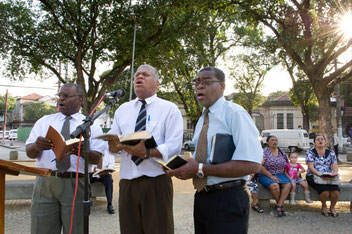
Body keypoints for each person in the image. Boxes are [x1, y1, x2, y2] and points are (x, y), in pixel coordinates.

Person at [167, 67, 263, 234]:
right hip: (203, 196)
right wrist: (184, 168)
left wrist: (199, 169)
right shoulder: (203, 119)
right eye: (197, 82)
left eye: (207, 81)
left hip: (229, 198)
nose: (199, 86)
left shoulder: (235, 113)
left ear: (222, 86)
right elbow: (200, 159)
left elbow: (252, 164)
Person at [107, 64, 183, 234]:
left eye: (145, 75)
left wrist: (147, 152)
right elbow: (113, 140)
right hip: (127, 183)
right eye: (137, 75)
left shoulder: (169, 109)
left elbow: (174, 145)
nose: (139, 77)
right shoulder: (122, 110)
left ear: (157, 84)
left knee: (159, 230)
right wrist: (113, 145)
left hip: (156, 182)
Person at [25, 83, 105, 234]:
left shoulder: (91, 126)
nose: (61, 99)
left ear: (80, 99)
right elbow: (29, 152)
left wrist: (80, 151)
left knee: (76, 230)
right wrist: (37, 146)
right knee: (41, 229)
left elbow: (96, 158)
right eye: (60, 96)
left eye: (66, 96)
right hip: (45, 183)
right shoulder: (44, 121)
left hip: (75, 183)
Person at [306, 134, 340, 217]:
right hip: (314, 175)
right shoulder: (310, 152)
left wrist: (334, 172)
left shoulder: (331, 152)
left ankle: (332, 208)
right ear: (314, 142)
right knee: (325, 192)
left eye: (322, 139)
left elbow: (334, 164)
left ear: (325, 142)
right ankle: (324, 206)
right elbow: (311, 167)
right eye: (318, 139)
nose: (320, 141)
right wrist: (320, 175)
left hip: (329, 175)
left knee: (335, 191)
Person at [258, 135, 291, 217]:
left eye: (276, 140)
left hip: (280, 174)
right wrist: (270, 176)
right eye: (272, 140)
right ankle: (280, 206)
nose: (275, 142)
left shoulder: (281, 151)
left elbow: (286, 164)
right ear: (268, 142)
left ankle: (279, 206)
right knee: (274, 186)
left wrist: (288, 175)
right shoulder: (265, 151)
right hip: (266, 174)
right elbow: (260, 166)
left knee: (288, 184)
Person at [90, 148, 115, 214]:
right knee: (84, 178)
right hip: (92, 174)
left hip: (104, 174)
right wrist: (94, 170)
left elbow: (111, 167)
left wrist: (104, 171)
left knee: (109, 179)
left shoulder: (109, 154)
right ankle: (85, 200)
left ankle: (109, 204)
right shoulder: (92, 152)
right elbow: (88, 165)